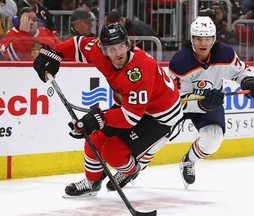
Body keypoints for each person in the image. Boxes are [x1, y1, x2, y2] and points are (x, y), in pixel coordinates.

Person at [32, 22, 183, 197]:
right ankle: (92, 183)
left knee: (113, 152)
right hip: (131, 106)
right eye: (111, 49)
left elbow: (131, 118)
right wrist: (55, 53)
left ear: (128, 44)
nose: (118, 53)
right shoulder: (98, 51)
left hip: (160, 116)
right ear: (103, 50)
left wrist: (97, 119)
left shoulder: (138, 71)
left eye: (121, 46)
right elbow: (78, 44)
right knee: (95, 139)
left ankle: (132, 169)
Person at [168, 16, 254, 189]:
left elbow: (240, 72)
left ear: (214, 39)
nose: (203, 43)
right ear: (192, 39)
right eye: (198, 38)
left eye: (207, 38)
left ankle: (188, 161)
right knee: (158, 137)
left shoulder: (225, 53)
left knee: (213, 139)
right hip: (182, 105)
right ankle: (135, 166)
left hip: (210, 103)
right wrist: (202, 103)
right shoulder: (180, 62)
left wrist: (249, 82)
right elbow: (174, 99)